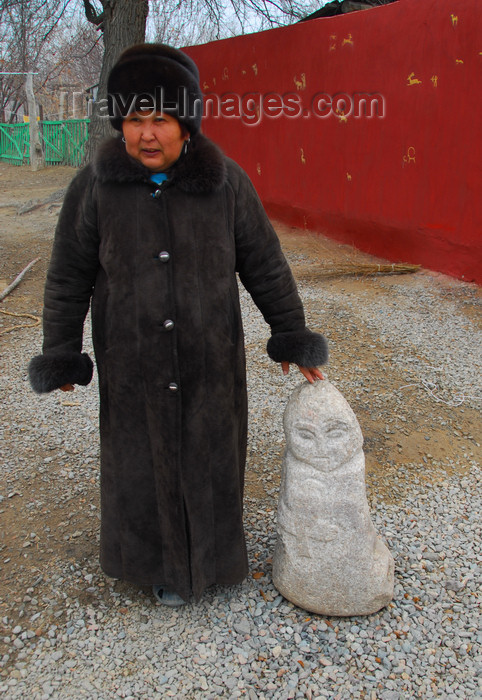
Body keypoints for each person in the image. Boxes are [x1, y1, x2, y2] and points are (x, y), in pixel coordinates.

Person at [28, 43, 328, 607]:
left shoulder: (225, 183)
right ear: (120, 123)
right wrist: (61, 350)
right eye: (135, 120)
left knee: (210, 455)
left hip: (209, 359)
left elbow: (264, 262)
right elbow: (68, 273)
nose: (147, 134)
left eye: (160, 119)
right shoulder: (94, 187)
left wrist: (291, 332)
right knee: (141, 462)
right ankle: (156, 567)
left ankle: (212, 562)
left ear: (185, 123)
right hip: (132, 361)